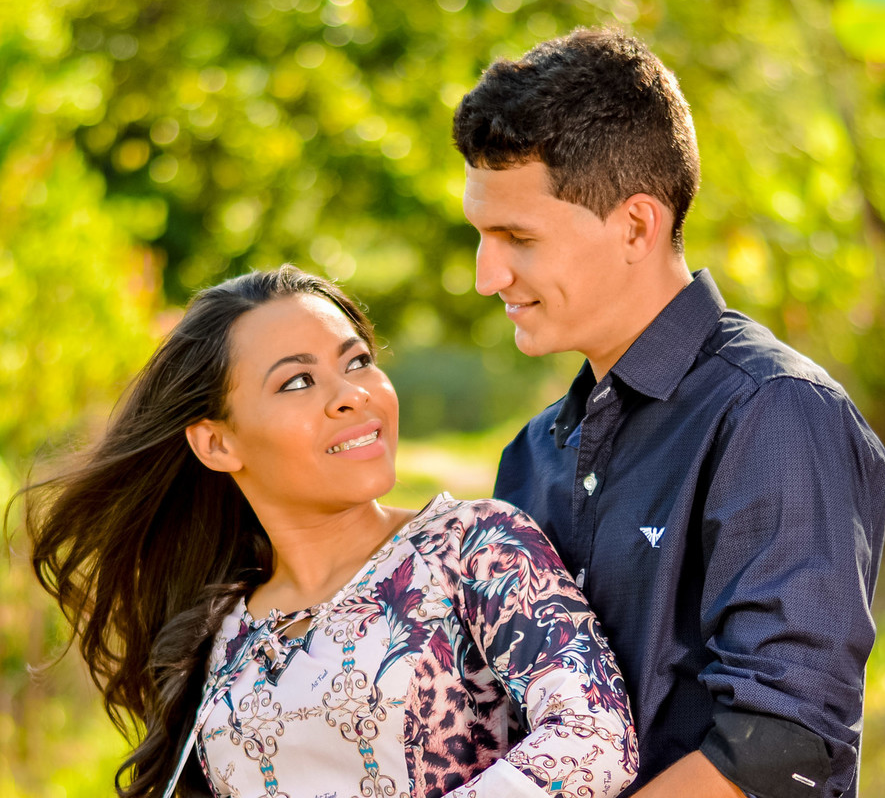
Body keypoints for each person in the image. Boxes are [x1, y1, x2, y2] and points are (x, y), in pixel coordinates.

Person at [453, 28, 885, 798]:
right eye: (481, 236)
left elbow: (785, 741)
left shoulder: (773, 413)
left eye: (517, 237)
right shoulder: (531, 457)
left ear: (636, 226)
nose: (487, 276)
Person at [17, 265, 637, 798]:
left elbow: (594, 739)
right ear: (217, 441)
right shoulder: (220, 630)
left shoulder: (473, 547)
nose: (351, 396)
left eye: (358, 362)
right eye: (296, 381)